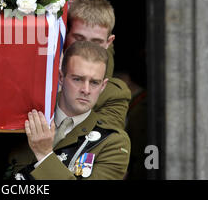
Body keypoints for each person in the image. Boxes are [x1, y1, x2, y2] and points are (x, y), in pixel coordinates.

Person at [8, 41, 130, 180]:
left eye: (94, 82)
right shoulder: (25, 116)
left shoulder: (112, 142)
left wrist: (45, 154)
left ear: (103, 86)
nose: (86, 90)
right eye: (77, 79)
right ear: (60, 77)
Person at [65, 0, 130, 129]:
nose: (86, 48)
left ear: (109, 42)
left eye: (96, 42)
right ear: (65, 34)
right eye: (79, 39)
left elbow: (100, 143)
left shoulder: (114, 94)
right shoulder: (44, 79)